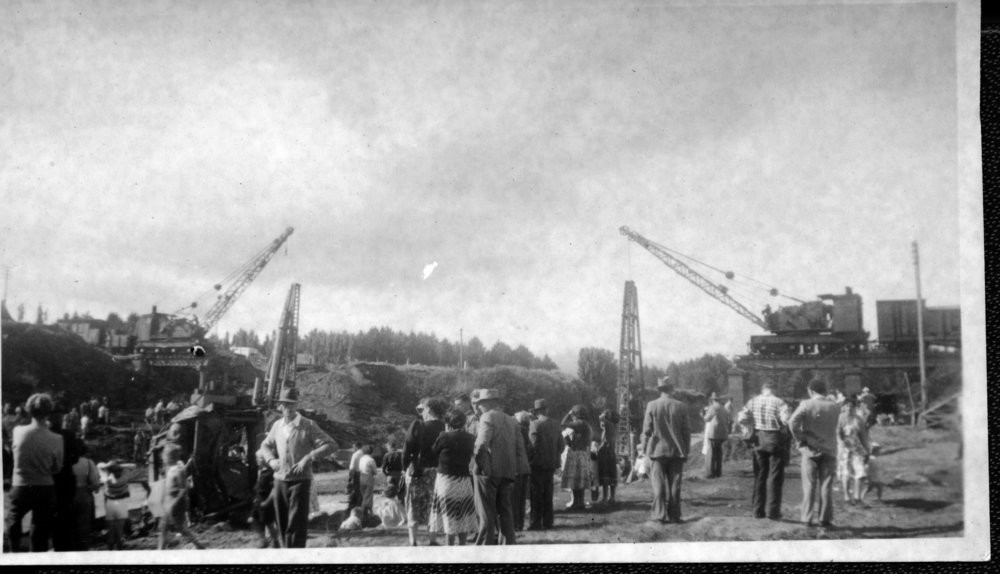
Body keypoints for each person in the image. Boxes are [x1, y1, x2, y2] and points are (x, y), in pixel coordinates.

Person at [257, 387, 337, 548]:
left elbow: (331, 444)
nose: (288, 408)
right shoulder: (277, 426)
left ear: (297, 405)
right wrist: (271, 460)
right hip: (279, 481)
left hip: (300, 482)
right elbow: (265, 445)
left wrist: (308, 457)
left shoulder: (308, 425)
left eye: (292, 404)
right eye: (285, 405)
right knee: (282, 523)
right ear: (280, 406)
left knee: (297, 525)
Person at [4, 393, 64, 552]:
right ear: (48, 412)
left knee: (13, 520)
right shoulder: (57, 438)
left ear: (29, 410)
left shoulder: (18, 431)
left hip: (21, 485)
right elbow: (57, 468)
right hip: (44, 486)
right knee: (40, 528)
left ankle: (13, 553)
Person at [471, 388, 529, 545]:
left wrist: (478, 467)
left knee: (486, 513)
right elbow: (520, 448)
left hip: (487, 472)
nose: (479, 406)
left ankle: (485, 547)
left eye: (481, 403)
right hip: (508, 472)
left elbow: (482, 444)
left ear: (489, 403)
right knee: (505, 512)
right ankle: (508, 545)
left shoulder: (486, 416)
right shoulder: (511, 420)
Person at [789, 378, 841, 528]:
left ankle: (807, 518)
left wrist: (801, 439)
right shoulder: (835, 406)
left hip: (810, 450)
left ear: (810, 391)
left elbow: (792, 423)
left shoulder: (806, 404)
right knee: (826, 486)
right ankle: (825, 519)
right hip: (830, 449)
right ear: (825, 391)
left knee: (809, 485)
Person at [737, 379, 791, 520]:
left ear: (763, 389)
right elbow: (786, 420)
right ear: (774, 389)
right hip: (774, 439)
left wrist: (749, 426)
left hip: (758, 439)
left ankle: (757, 511)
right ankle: (773, 512)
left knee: (760, 476)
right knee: (775, 477)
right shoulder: (780, 402)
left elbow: (741, 418)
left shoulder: (752, 401)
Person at [640, 376, 691, 524]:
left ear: (660, 389)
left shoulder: (652, 405)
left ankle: (659, 515)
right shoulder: (681, 406)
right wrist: (686, 450)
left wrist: (644, 449)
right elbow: (686, 431)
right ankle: (674, 516)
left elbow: (646, 431)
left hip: (657, 451)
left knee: (658, 484)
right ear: (672, 389)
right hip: (676, 451)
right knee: (675, 484)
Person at [402, 396, 448, 546]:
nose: (420, 413)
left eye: (421, 409)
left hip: (418, 471)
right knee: (433, 506)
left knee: (413, 505)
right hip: (438, 472)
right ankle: (432, 540)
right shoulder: (445, 426)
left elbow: (406, 450)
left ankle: (413, 540)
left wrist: (405, 469)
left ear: (428, 409)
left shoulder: (418, 426)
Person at [429, 408, 478, 545]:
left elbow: (434, 451)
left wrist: (444, 432)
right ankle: (462, 546)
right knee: (463, 515)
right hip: (463, 479)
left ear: (448, 422)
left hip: (446, 480)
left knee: (448, 516)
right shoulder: (471, 438)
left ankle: (449, 550)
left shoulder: (444, 436)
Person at [158, 444, 205, 549]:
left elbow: (183, 490)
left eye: (165, 456)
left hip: (177, 503)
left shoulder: (178, 470)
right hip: (169, 502)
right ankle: (160, 549)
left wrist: (174, 504)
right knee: (163, 528)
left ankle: (199, 545)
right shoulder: (170, 469)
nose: (163, 459)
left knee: (180, 528)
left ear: (170, 457)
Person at [527, 399, 564, 531]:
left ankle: (535, 523)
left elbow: (533, 446)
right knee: (548, 493)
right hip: (551, 464)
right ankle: (548, 522)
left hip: (537, 464)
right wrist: (553, 455)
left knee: (536, 494)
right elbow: (561, 446)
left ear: (536, 412)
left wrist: (530, 459)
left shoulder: (534, 424)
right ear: (546, 410)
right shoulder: (556, 424)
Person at [50, 405, 82, 551]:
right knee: (68, 514)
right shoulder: (68, 434)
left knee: (52, 514)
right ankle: (69, 545)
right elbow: (75, 458)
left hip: (51, 479)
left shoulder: (47, 433)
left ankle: (57, 545)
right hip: (66, 479)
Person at [837, 396, 872, 505]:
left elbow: (863, 436)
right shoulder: (840, 418)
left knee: (860, 471)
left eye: (851, 407)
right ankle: (847, 497)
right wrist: (841, 443)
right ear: (843, 407)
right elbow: (837, 433)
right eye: (847, 407)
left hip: (857, 449)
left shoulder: (858, 419)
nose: (849, 409)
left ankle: (857, 497)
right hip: (844, 450)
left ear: (855, 408)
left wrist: (867, 450)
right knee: (846, 474)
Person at [559, 404, 593, 510]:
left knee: (574, 480)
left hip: (576, 454)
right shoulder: (586, 424)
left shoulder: (579, 423)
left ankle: (575, 502)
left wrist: (568, 414)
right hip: (582, 453)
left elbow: (562, 424)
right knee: (580, 480)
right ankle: (580, 502)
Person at [71, 441, 101, 550]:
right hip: (83, 494)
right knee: (83, 527)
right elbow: (96, 484)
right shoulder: (88, 462)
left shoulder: (64, 460)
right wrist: (87, 488)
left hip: (66, 495)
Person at [98, 459, 130, 550]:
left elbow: (99, 465)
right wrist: (120, 465)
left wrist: (108, 465)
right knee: (120, 533)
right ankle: (119, 553)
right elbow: (132, 466)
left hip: (110, 503)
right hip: (122, 503)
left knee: (110, 533)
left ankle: (110, 553)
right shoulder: (125, 477)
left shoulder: (106, 478)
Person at [252, 451, 280, 548]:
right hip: (259, 500)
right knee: (254, 519)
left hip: (267, 501)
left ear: (264, 459)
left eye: (259, 458)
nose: (257, 460)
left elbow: (274, 489)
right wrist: (256, 498)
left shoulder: (271, 473)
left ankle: (276, 542)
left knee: (269, 522)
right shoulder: (261, 471)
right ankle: (263, 540)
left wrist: (267, 502)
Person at [511, 410, 533, 529]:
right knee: (521, 498)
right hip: (525, 467)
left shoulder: (515, 431)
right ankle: (519, 523)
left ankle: (515, 524)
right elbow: (530, 449)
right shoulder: (526, 431)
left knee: (515, 498)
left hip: (516, 468)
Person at [702, 393, 732, 479]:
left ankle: (710, 473)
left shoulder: (713, 407)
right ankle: (718, 472)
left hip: (714, 433)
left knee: (711, 453)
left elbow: (706, 419)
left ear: (712, 400)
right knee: (719, 453)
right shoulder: (723, 408)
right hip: (722, 433)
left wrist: (702, 415)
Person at [596, 409, 619, 504]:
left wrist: (604, 415)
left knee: (606, 476)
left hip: (606, 454)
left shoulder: (609, 425)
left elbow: (600, 417)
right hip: (610, 454)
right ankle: (611, 497)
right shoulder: (611, 427)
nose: (602, 422)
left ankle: (605, 498)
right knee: (611, 476)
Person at [357, 444, 378, 524]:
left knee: (364, 495)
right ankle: (365, 513)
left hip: (361, 476)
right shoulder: (371, 460)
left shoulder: (361, 459)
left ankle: (366, 512)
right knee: (368, 496)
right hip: (369, 476)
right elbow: (375, 471)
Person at [346, 441, 364, 512]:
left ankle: (353, 507)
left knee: (355, 490)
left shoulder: (355, 454)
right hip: (365, 473)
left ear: (356, 447)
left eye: (353, 447)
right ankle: (362, 506)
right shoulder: (365, 454)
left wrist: (350, 478)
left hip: (357, 473)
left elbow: (352, 467)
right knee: (362, 491)